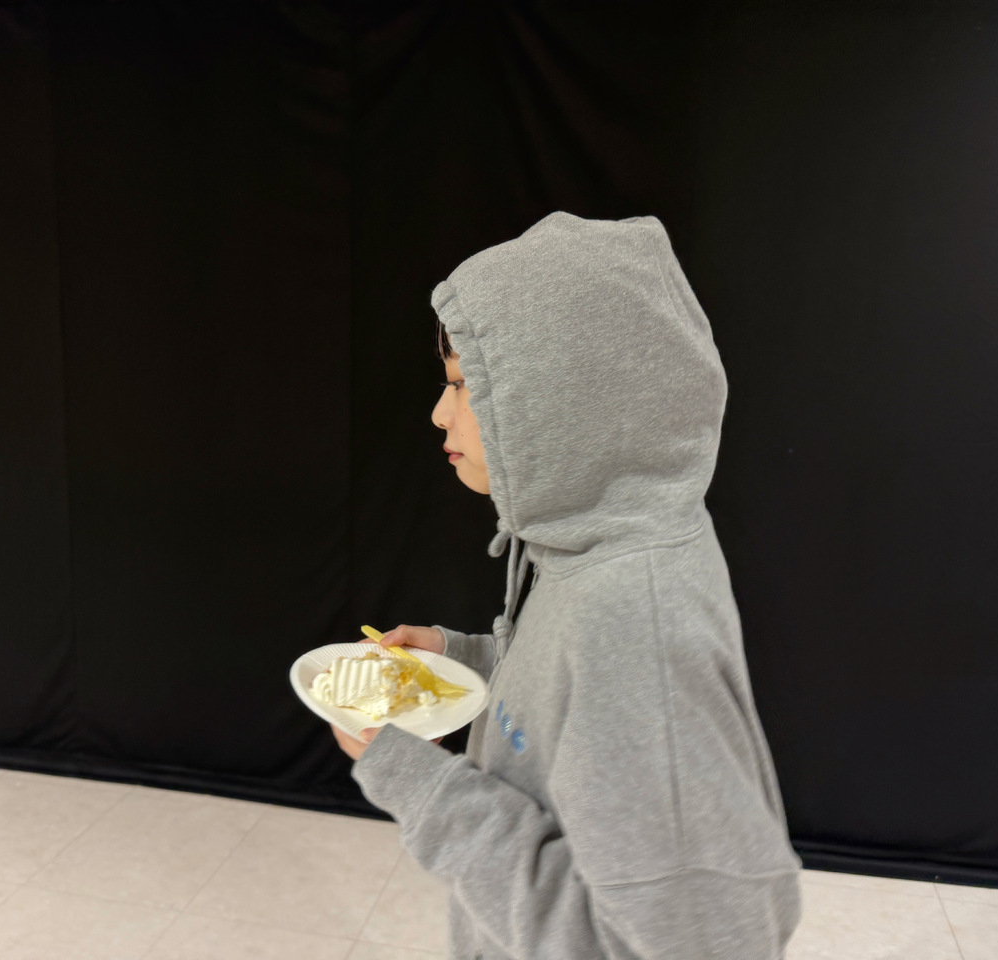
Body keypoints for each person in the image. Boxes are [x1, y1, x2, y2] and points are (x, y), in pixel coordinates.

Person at [331, 211, 802, 959]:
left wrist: (417, 781)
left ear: (563, 397)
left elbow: (701, 944)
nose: (439, 412)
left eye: (462, 385)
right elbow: (578, 700)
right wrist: (466, 662)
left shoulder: (633, 624)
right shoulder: (607, 547)